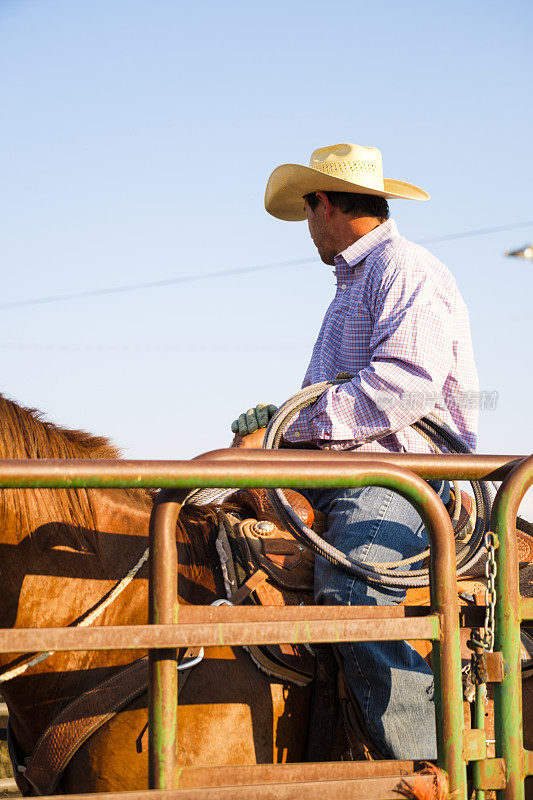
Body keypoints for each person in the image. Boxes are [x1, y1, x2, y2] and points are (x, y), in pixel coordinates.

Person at [231, 142, 478, 760]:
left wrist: (293, 428)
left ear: (324, 206)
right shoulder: (353, 286)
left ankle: (427, 760)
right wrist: (276, 426)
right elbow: (331, 394)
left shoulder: (407, 270)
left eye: (308, 213)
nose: (308, 229)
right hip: (349, 464)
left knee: (351, 595)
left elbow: (404, 383)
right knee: (212, 506)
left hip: (401, 476)